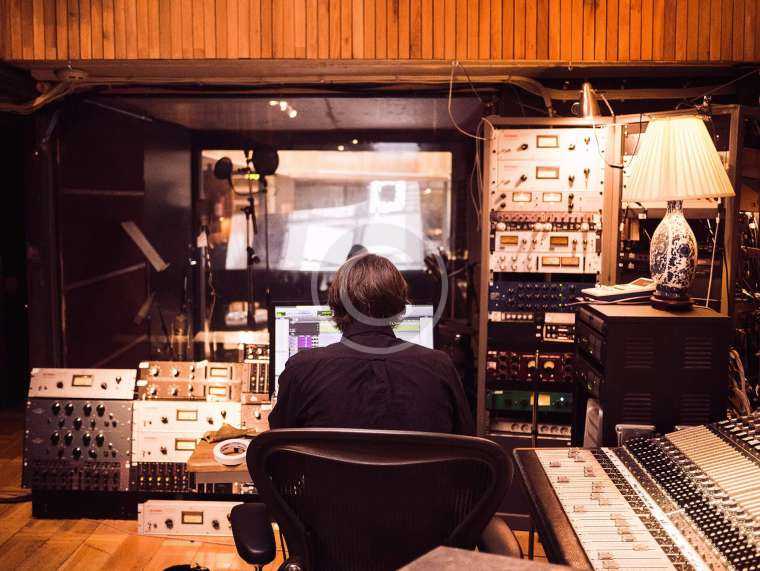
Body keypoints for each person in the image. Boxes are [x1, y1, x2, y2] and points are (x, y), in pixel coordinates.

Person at [268, 253, 474, 435]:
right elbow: (467, 447)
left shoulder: (302, 369)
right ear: (400, 305)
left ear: (335, 306)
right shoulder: (439, 367)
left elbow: (276, 448)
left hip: (332, 480)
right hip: (417, 480)